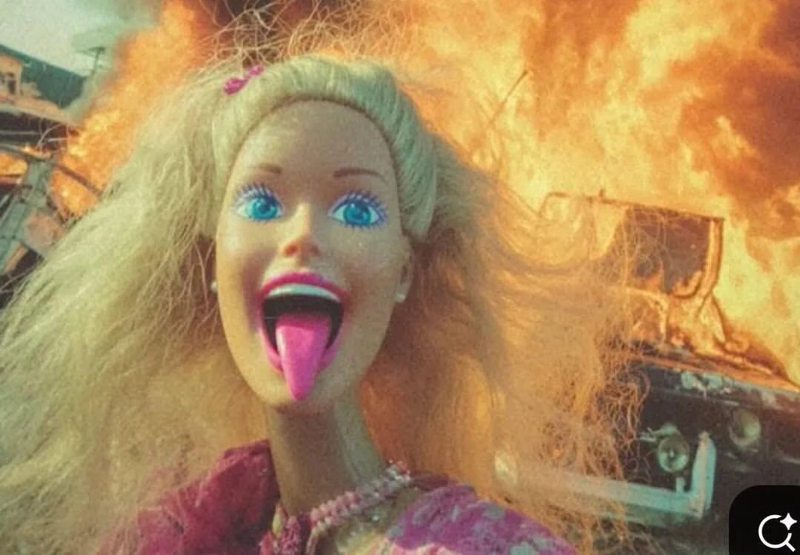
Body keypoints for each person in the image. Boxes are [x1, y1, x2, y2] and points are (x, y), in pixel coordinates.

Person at [0, 53, 633, 555]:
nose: (301, 235)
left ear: (405, 271)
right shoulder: (174, 532)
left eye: (356, 209)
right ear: (213, 261)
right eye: (261, 203)